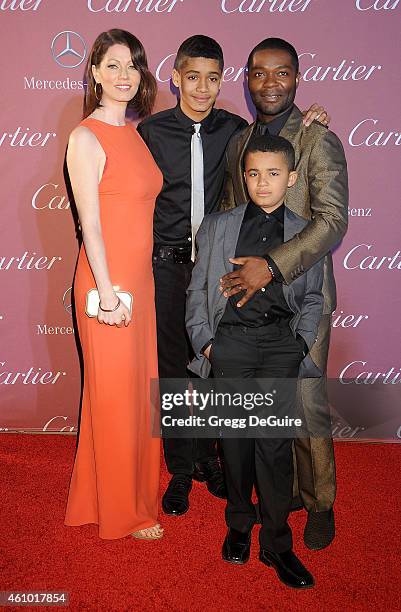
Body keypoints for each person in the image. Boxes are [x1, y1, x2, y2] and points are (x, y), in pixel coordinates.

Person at [137, 34, 329, 517]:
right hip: (166, 264)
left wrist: (313, 119)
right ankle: (182, 469)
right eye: (193, 77)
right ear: (176, 77)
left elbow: (279, 152)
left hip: (224, 266)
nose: (202, 88)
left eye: (212, 78)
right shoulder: (151, 132)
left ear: (225, 81)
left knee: (219, 364)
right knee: (177, 370)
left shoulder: (237, 131)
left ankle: (216, 460)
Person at [220, 38, 348, 550]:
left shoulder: (319, 139)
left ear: (296, 78)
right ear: (247, 81)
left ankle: (319, 503)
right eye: (258, 73)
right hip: (250, 299)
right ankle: (285, 491)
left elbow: (333, 221)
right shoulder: (239, 143)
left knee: (307, 402)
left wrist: (271, 267)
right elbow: (232, 215)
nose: (269, 83)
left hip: (302, 295)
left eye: (281, 73)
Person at [186, 135, 324, 589]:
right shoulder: (217, 225)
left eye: (272, 173)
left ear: (291, 177)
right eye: (252, 173)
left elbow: (314, 298)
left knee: (274, 445)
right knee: (237, 442)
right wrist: (207, 344)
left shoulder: (306, 232)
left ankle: (277, 543)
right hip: (231, 345)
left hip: (280, 347)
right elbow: (198, 291)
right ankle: (239, 526)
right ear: (242, 176)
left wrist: (301, 345)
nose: (262, 183)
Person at [64, 29, 164, 541]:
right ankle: (124, 512)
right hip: (108, 285)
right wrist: (105, 291)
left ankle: (121, 492)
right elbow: (91, 224)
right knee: (115, 397)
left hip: (139, 285)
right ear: (96, 72)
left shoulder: (134, 132)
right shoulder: (85, 137)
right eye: (114, 65)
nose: (125, 76)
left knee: (134, 394)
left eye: (134, 66)